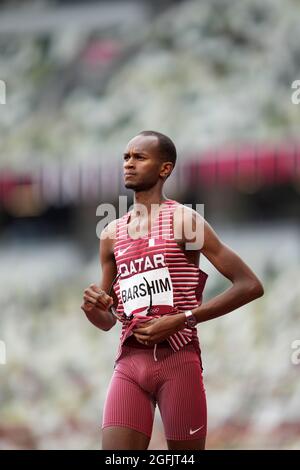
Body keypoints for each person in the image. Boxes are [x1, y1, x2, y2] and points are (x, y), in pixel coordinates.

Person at [81, 130, 264, 450]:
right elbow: (107, 320)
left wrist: (183, 318)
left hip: (178, 359)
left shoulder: (185, 222)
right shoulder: (110, 233)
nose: (128, 164)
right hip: (129, 362)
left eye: (139, 157)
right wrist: (93, 308)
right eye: (126, 157)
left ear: (165, 169)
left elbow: (249, 285)